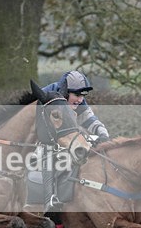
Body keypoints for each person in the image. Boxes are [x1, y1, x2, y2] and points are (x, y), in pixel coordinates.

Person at [41, 70, 110, 210]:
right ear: (66, 92)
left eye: (83, 96)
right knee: (49, 155)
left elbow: (91, 121)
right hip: (39, 139)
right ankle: (49, 201)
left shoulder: (80, 103)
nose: (80, 100)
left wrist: (103, 136)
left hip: (60, 138)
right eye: (77, 95)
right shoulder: (46, 94)